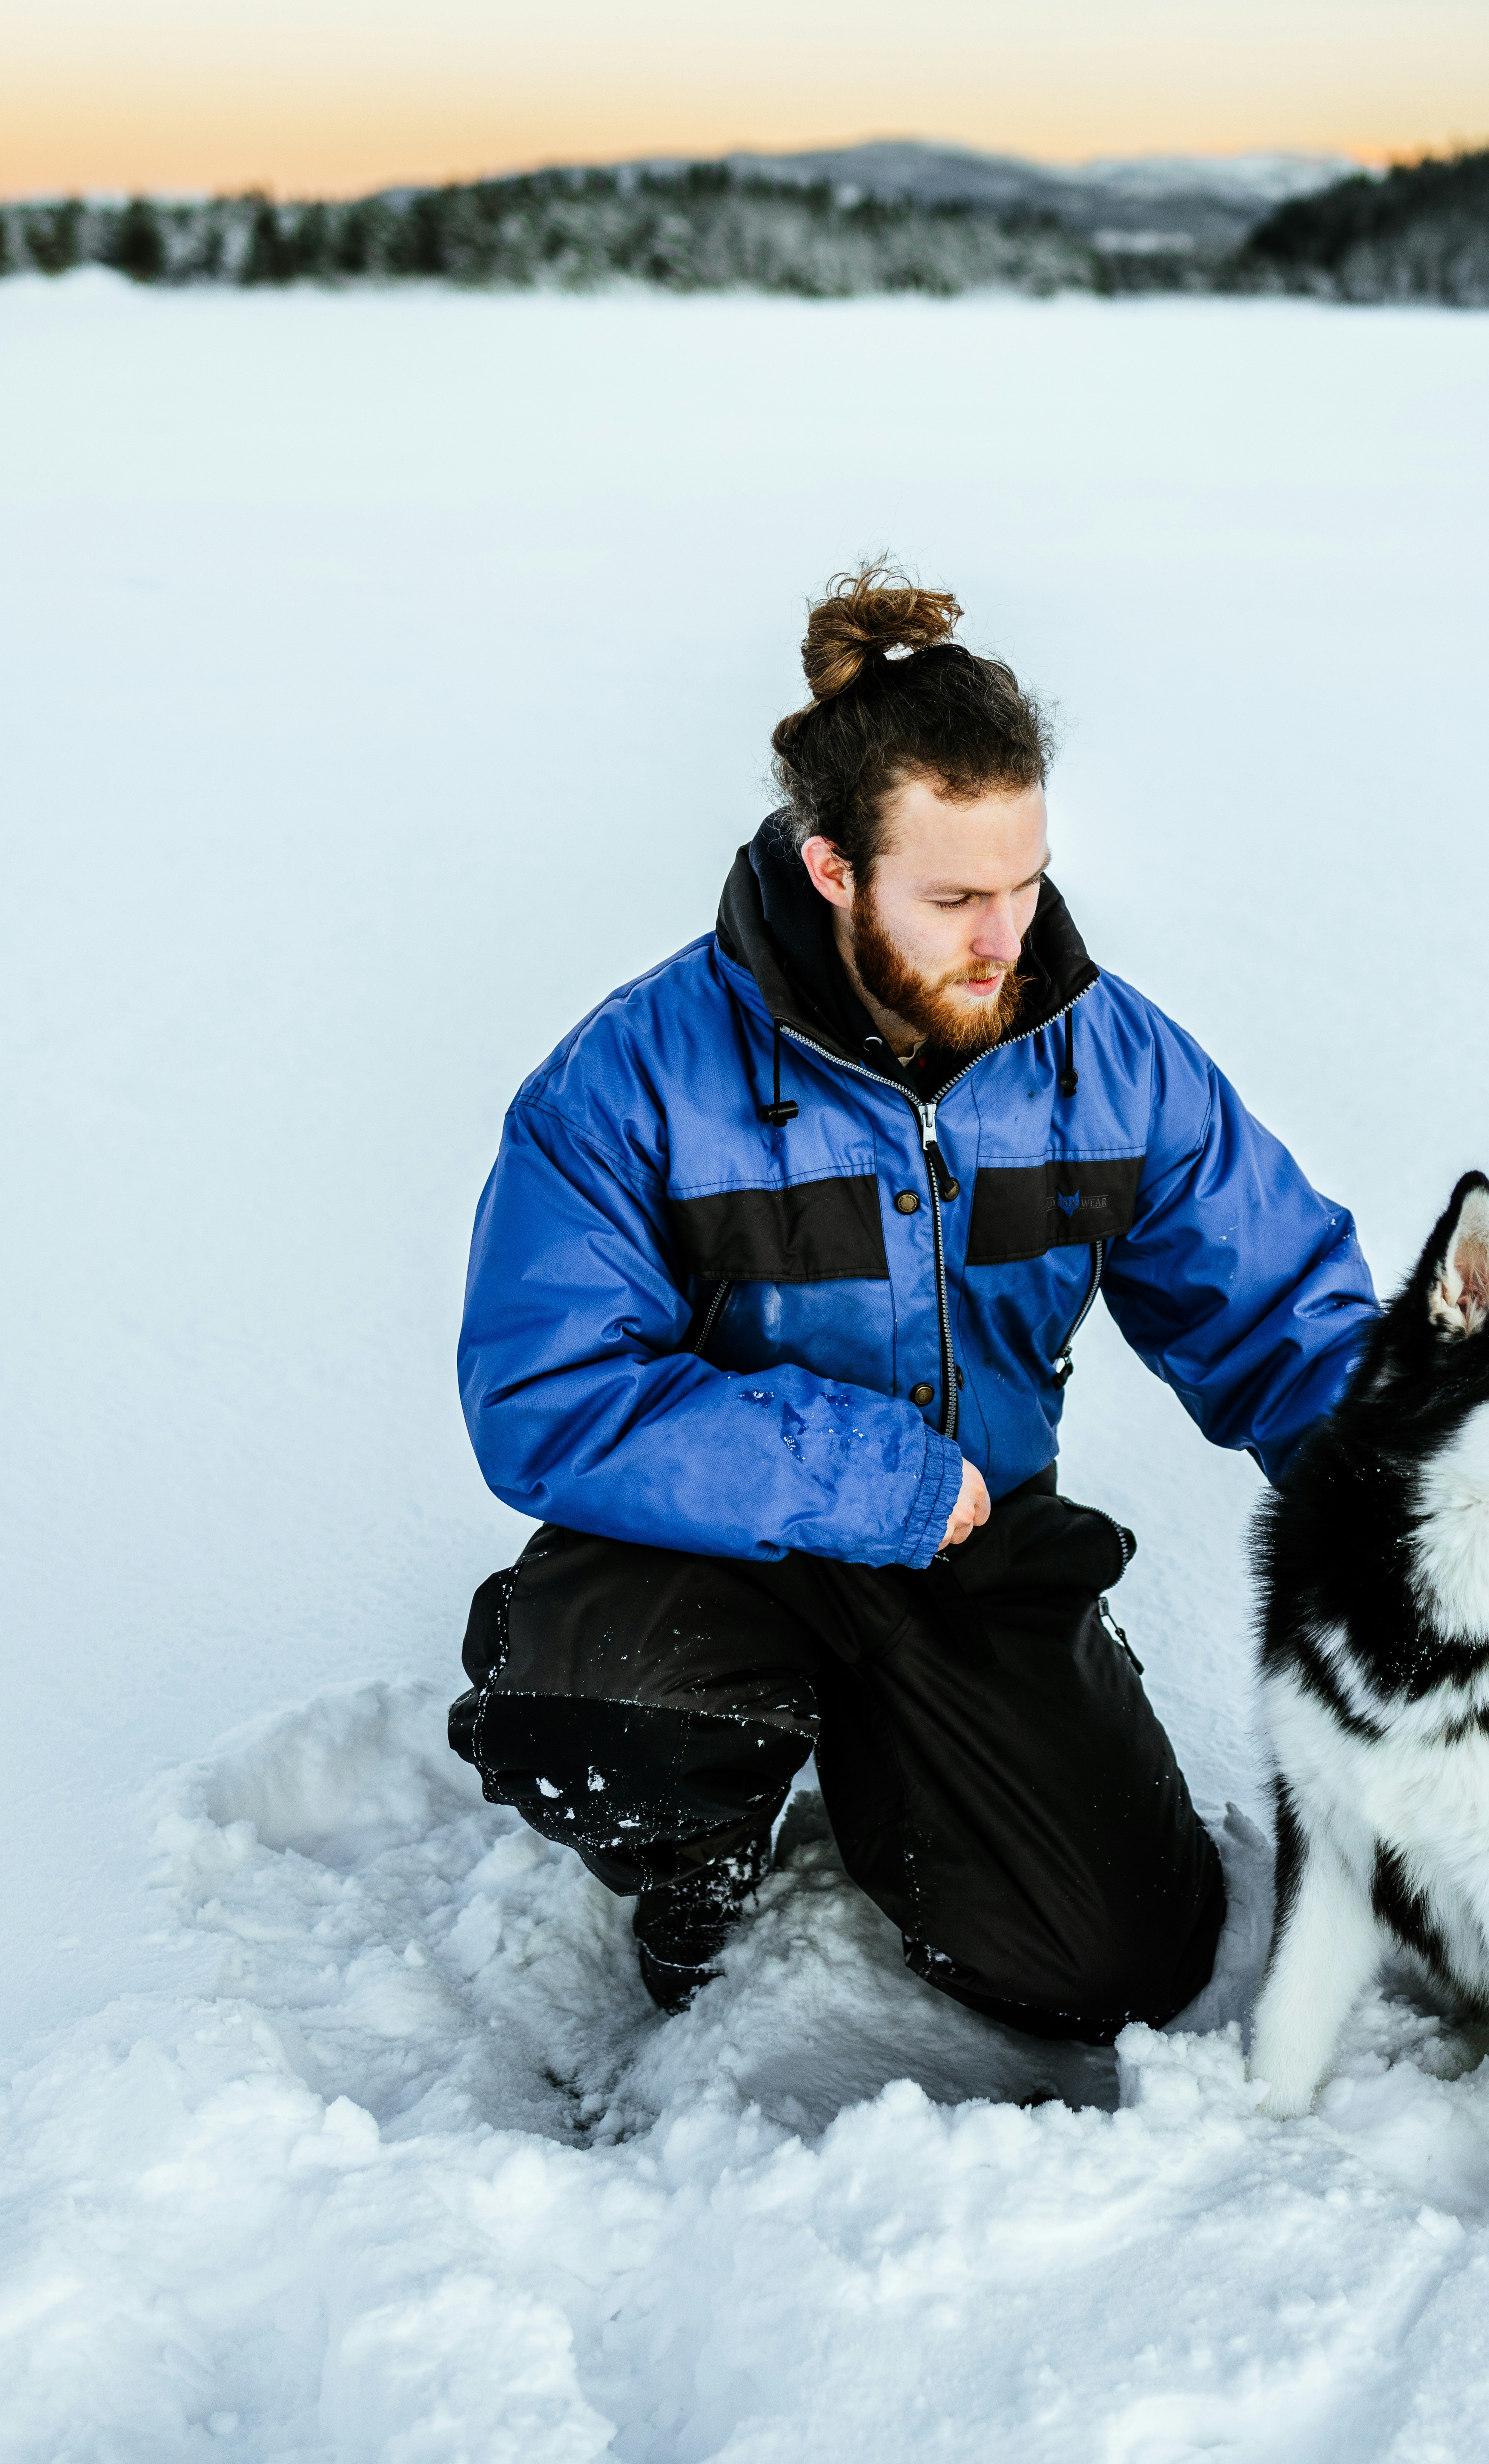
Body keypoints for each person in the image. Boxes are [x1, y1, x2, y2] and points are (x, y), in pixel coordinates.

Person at [449, 567, 1378, 2038]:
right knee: (602, 1721)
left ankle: (964, 1745)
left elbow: (1280, 1317)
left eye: (1024, 883)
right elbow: (547, 1397)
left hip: (976, 1557)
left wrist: (1418, 1496)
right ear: (833, 869)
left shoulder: (1111, 1061)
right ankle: (693, 1851)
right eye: (953, 898)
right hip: (714, 1546)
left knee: (1113, 1966)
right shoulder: (629, 1078)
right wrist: (871, 1473)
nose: (1003, 938)